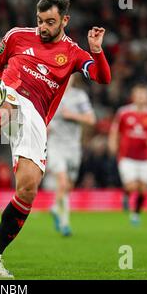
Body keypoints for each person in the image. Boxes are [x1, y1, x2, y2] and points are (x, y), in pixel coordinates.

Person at [0, 0, 111, 278]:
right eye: (40, 21)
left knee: (28, 189)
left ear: (64, 20)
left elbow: (102, 77)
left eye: (50, 22)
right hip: (12, 96)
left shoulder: (72, 52)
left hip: (36, 116)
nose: (43, 28)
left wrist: (96, 50)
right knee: (11, 96)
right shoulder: (16, 37)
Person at [45, 73, 96, 236]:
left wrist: (72, 115)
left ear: (74, 78)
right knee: (62, 180)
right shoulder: (51, 93)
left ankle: (62, 219)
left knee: (68, 186)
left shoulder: (79, 96)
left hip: (73, 147)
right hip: (55, 145)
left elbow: (91, 119)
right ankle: (57, 213)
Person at [108, 85, 147, 225]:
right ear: (133, 97)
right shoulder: (124, 112)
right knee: (132, 186)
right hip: (127, 156)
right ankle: (126, 195)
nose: (141, 98)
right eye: (139, 95)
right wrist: (113, 143)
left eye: (144, 95)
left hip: (146, 157)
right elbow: (115, 130)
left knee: (143, 189)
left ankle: (136, 214)